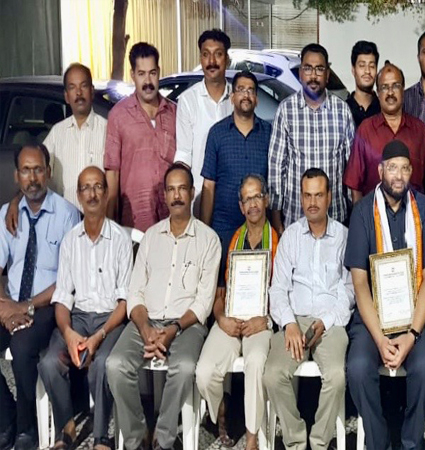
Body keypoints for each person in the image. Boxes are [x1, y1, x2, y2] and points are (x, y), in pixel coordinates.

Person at [106, 163, 220, 450]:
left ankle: (163, 437)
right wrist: (145, 329)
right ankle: (136, 438)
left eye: (182, 189)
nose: (177, 196)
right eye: (171, 190)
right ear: (165, 195)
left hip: (187, 325)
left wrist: (173, 329)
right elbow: (135, 293)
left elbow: (203, 302)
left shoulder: (209, 240)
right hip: (146, 322)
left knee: (184, 367)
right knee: (115, 365)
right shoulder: (151, 237)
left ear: (192, 192)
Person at [345, 140, 425, 450]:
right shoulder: (363, 212)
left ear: (412, 172)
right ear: (380, 171)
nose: (398, 176)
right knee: (358, 368)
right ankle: (378, 441)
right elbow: (360, 283)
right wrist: (379, 339)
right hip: (373, 317)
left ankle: (412, 441)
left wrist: (412, 335)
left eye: (404, 168)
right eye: (392, 168)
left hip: (416, 315)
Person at [38, 166, 132, 450]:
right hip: (78, 318)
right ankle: (66, 425)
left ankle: (101, 437)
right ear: (78, 195)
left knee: (102, 363)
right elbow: (63, 298)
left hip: (110, 320)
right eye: (86, 188)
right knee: (49, 362)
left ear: (107, 193)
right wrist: (68, 332)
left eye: (98, 187)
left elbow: (124, 302)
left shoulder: (120, 239)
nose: (92, 194)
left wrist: (99, 336)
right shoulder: (70, 241)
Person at [264, 168, 353, 450]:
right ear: (301, 198)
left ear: (329, 197)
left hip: (331, 323)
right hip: (296, 320)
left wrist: (325, 321)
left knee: (336, 377)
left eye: (318, 195)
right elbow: (278, 288)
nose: (312, 202)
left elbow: (349, 290)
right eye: (307, 195)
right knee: (272, 375)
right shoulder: (290, 236)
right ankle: (295, 441)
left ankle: (319, 442)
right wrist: (289, 323)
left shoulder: (344, 237)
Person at [0, 144, 80, 450]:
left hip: (47, 304)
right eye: (25, 171)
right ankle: (6, 415)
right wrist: (4, 308)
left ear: (48, 172)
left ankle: (27, 429)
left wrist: (26, 306)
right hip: (11, 302)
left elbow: (67, 278)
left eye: (37, 170)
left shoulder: (67, 215)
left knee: (21, 347)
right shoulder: (6, 215)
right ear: (16, 176)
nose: (32, 178)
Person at [195, 173, 277, 450]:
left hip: (261, 322)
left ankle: (252, 436)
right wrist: (221, 319)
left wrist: (266, 320)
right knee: (205, 372)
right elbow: (219, 294)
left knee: (255, 361)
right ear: (241, 206)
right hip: (230, 319)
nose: (253, 204)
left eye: (257, 197)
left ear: (266, 200)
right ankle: (220, 406)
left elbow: (284, 295)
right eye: (247, 199)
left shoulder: (278, 241)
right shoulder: (231, 241)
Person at [4, 63, 105, 235]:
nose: (78, 93)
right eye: (72, 88)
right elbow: (36, 174)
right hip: (65, 226)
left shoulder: (108, 131)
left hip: (99, 225)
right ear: (66, 96)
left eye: (83, 86)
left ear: (92, 91)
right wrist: (15, 202)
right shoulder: (57, 133)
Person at [268, 43, 354, 233]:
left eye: (319, 69)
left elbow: (352, 168)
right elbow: (276, 167)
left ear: (327, 74)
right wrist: (276, 217)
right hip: (295, 218)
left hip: (335, 218)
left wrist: (353, 213)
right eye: (308, 68)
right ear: (300, 73)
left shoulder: (342, 111)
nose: (313, 76)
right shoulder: (286, 111)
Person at [201, 71, 272, 290]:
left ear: (256, 99)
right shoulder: (217, 133)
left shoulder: (269, 133)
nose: (246, 95)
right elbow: (209, 185)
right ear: (232, 97)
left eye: (251, 90)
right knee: (221, 289)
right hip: (223, 228)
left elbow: (275, 182)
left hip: (259, 230)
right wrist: (204, 231)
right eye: (240, 89)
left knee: (257, 289)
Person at [105, 42, 177, 232]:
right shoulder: (118, 115)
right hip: (134, 223)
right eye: (141, 74)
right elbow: (112, 172)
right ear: (132, 75)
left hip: (171, 219)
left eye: (152, 73)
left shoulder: (174, 113)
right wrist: (111, 224)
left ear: (159, 72)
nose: (148, 81)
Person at [344, 62, 425, 204]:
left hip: (413, 213)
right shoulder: (365, 130)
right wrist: (360, 215)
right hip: (374, 214)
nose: (390, 93)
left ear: (403, 90)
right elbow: (355, 185)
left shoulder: (420, 130)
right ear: (378, 93)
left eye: (395, 86)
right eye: (384, 87)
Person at [174, 29, 233, 215]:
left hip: (233, 198)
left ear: (227, 59)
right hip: (199, 198)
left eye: (218, 54)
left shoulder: (237, 99)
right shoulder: (188, 101)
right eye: (206, 54)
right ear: (200, 59)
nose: (211, 61)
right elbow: (184, 153)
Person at [347, 41, 380, 129]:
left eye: (372, 66)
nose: (367, 71)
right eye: (362, 65)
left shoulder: (383, 109)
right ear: (353, 70)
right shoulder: (344, 109)